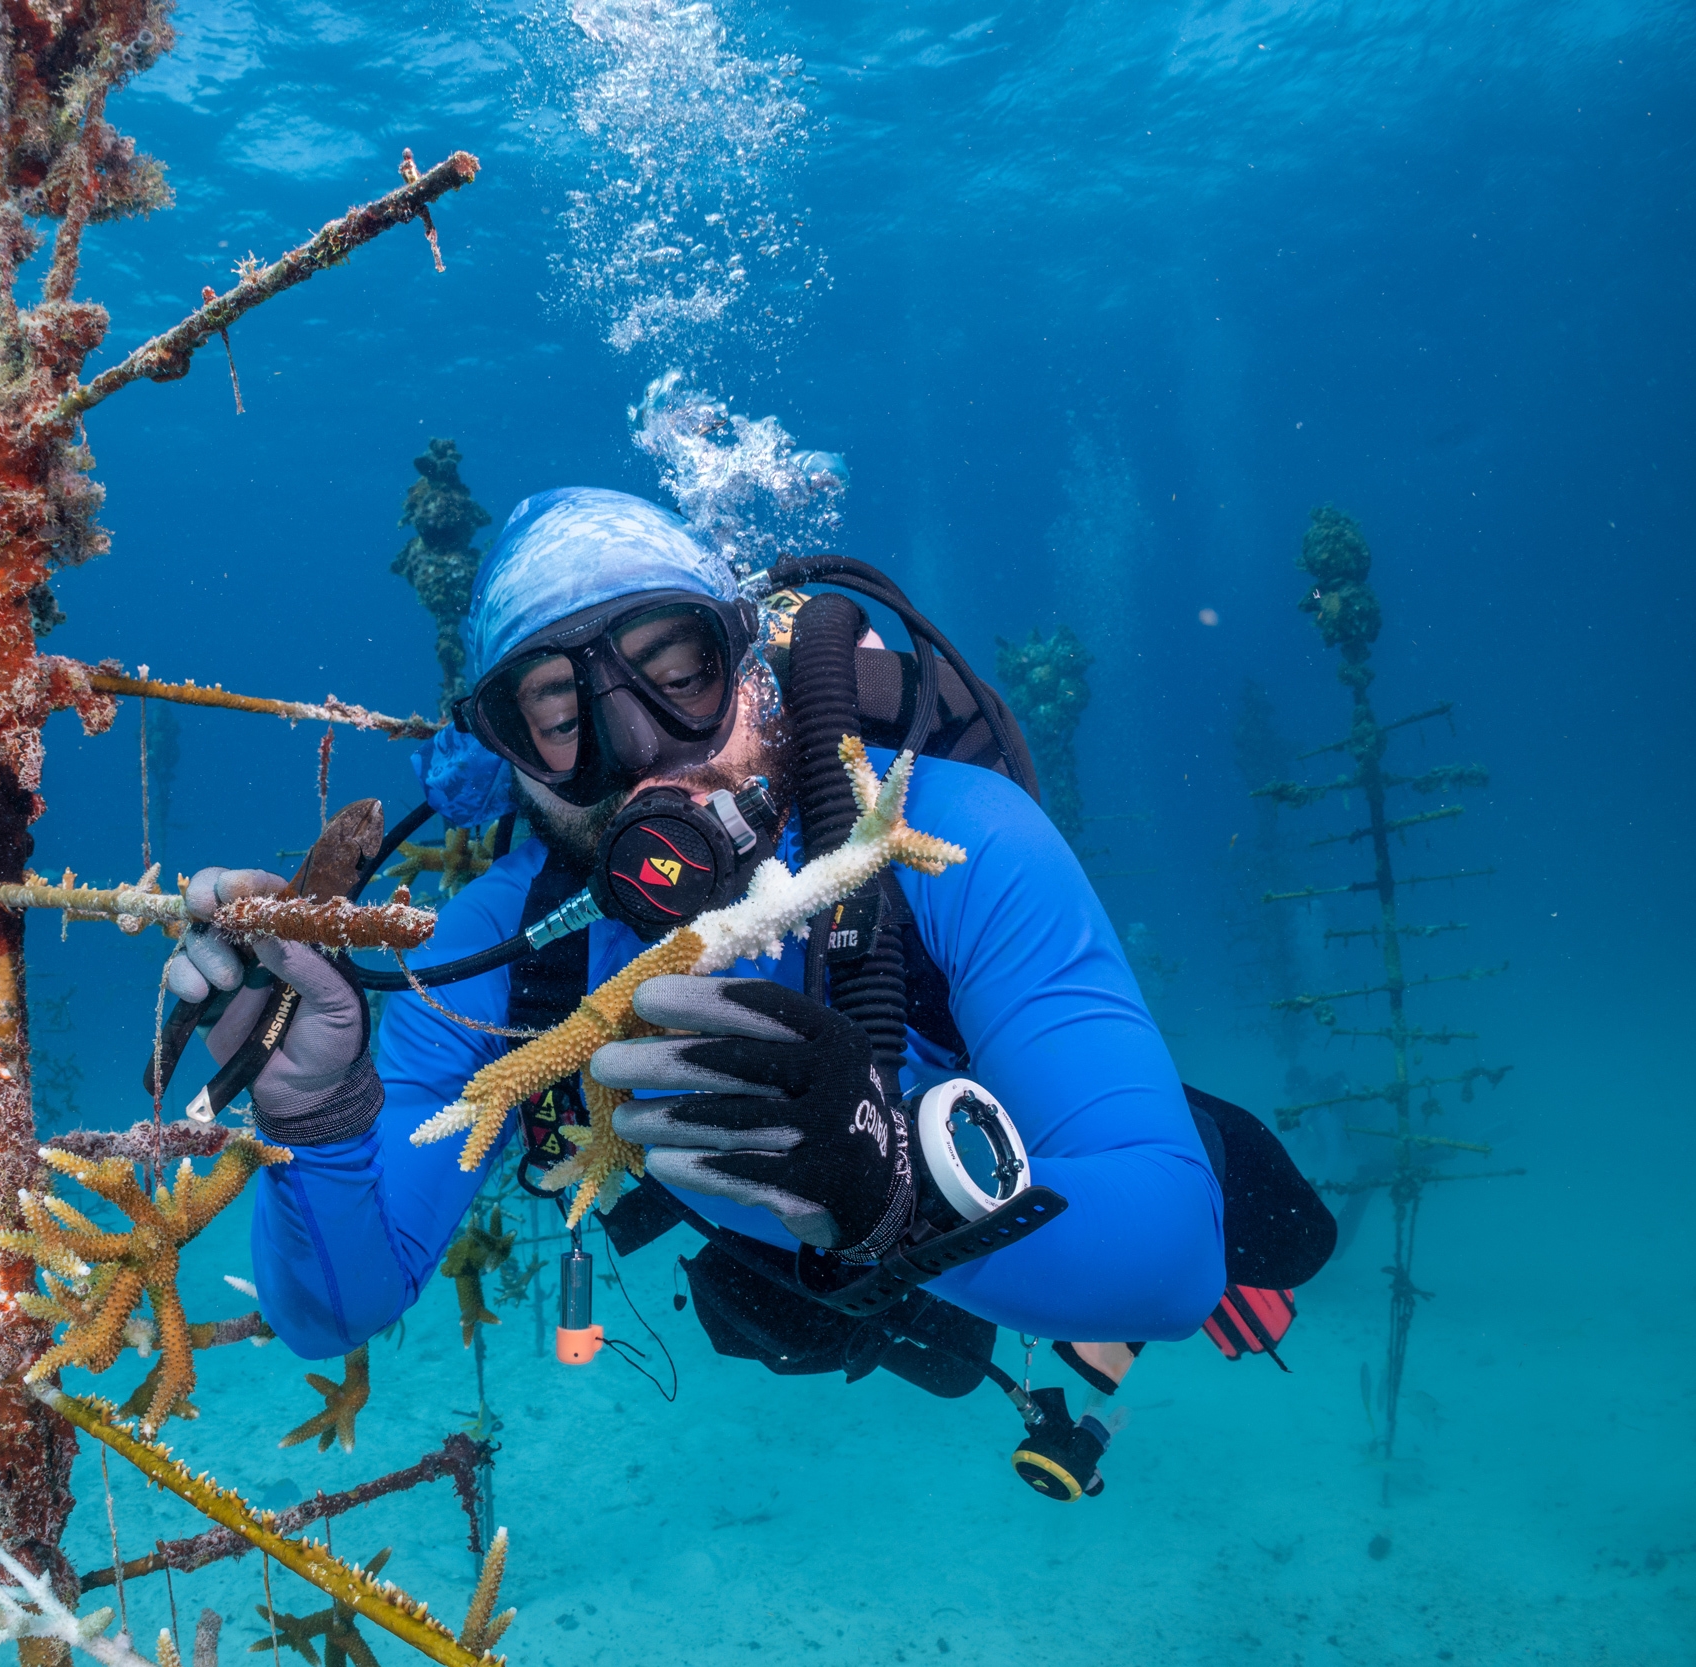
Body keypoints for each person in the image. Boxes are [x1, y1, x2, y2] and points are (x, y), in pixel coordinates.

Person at [162, 487, 1329, 1497]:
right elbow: (336, 1308)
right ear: (503, 756)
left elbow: (1171, 1261)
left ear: (756, 670)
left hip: (1008, 1153)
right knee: (831, 1325)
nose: (647, 755)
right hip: (829, 1270)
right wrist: (312, 1114)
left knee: (1255, 1226)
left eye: (680, 677)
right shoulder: (510, 945)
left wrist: (892, 1196)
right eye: (564, 718)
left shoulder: (953, 833)